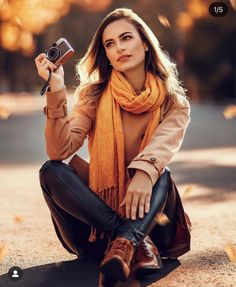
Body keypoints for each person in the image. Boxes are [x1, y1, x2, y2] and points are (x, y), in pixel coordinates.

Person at [35, 7, 191, 283]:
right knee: (51, 170)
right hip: (94, 234)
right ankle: (130, 240)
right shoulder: (94, 97)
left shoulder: (173, 103)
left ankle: (131, 239)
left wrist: (144, 173)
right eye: (110, 43)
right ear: (105, 53)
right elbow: (59, 150)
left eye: (126, 38)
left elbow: (162, 147)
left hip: (156, 228)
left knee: (160, 174)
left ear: (145, 43)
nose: (119, 47)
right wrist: (56, 90)